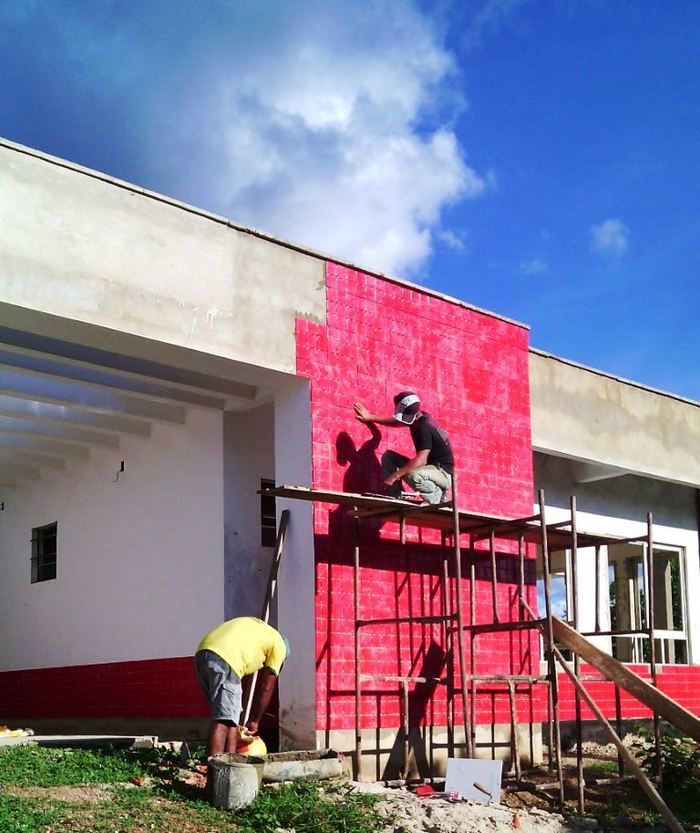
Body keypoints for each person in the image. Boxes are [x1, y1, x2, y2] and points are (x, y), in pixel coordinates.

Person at [194, 616, 289, 759]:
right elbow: (266, 687)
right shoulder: (279, 646)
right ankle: (215, 771)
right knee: (223, 720)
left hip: (203, 653)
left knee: (230, 718)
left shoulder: (261, 629)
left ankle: (232, 764)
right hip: (226, 658)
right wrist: (255, 721)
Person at [353, 391, 454, 505]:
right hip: (430, 469)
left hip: (443, 474)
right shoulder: (418, 417)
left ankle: (438, 497)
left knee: (413, 475)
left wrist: (395, 476)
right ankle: (395, 495)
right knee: (389, 457)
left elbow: (421, 459)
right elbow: (397, 422)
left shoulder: (423, 427)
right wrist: (370, 417)